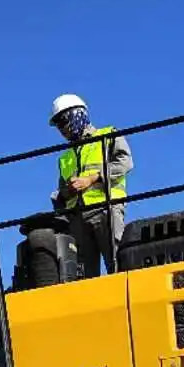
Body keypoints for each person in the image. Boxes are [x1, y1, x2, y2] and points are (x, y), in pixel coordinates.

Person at [49, 94, 133, 276]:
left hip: (105, 209)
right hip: (77, 218)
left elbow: (125, 163)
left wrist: (92, 179)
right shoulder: (65, 157)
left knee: (117, 265)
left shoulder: (108, 135)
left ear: (77, 115)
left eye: (63, 122)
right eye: (58, 126)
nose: (61, 130)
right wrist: (66, 191)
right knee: (83, 275)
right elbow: (63, 189)